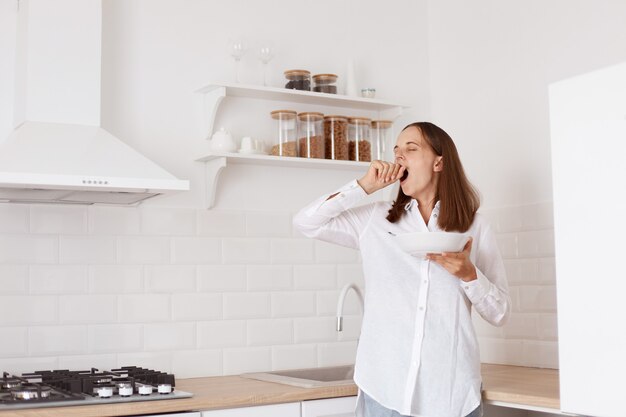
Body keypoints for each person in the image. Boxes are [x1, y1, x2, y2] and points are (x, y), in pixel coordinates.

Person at [293, 122, 511, 417]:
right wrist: (364, 187)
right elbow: (306, 222)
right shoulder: (375, 220)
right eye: (396, 151)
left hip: (449, 394)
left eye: (411, 149)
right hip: (384, 391)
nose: (399, 157)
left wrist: (469, 275)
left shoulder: (474, 227)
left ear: (439, 162)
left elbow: (499, 313)